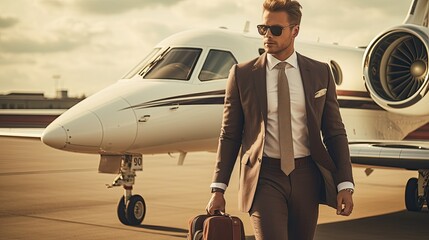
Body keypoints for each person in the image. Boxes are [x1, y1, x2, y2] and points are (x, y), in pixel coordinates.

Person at [205, 0, 355, 239]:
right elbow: (230, 134)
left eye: (276, 30)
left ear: (295, 30)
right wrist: (218, 188)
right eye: (263, 28)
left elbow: (335, 132)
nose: (267, 35)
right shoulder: (242, 74)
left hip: (307, 175)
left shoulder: (320, 72)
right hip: (264, 177)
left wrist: (345, 184)